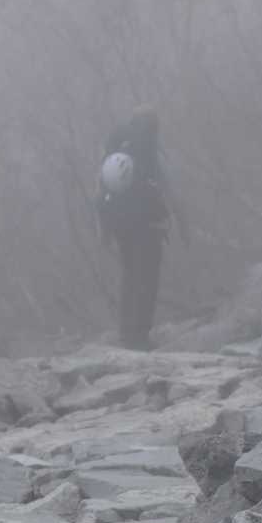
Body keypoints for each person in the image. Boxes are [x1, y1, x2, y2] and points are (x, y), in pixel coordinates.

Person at [97, 108, 174, 350]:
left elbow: (101, 191)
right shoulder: (147, 148)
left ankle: (126, 331)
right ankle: (140, 335)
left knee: (130, 275)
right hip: (146, 225)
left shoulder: (116, 145)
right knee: (147, 278)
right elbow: (160, 187)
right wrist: (168, 219)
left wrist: (105, 230)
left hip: (119, 223)